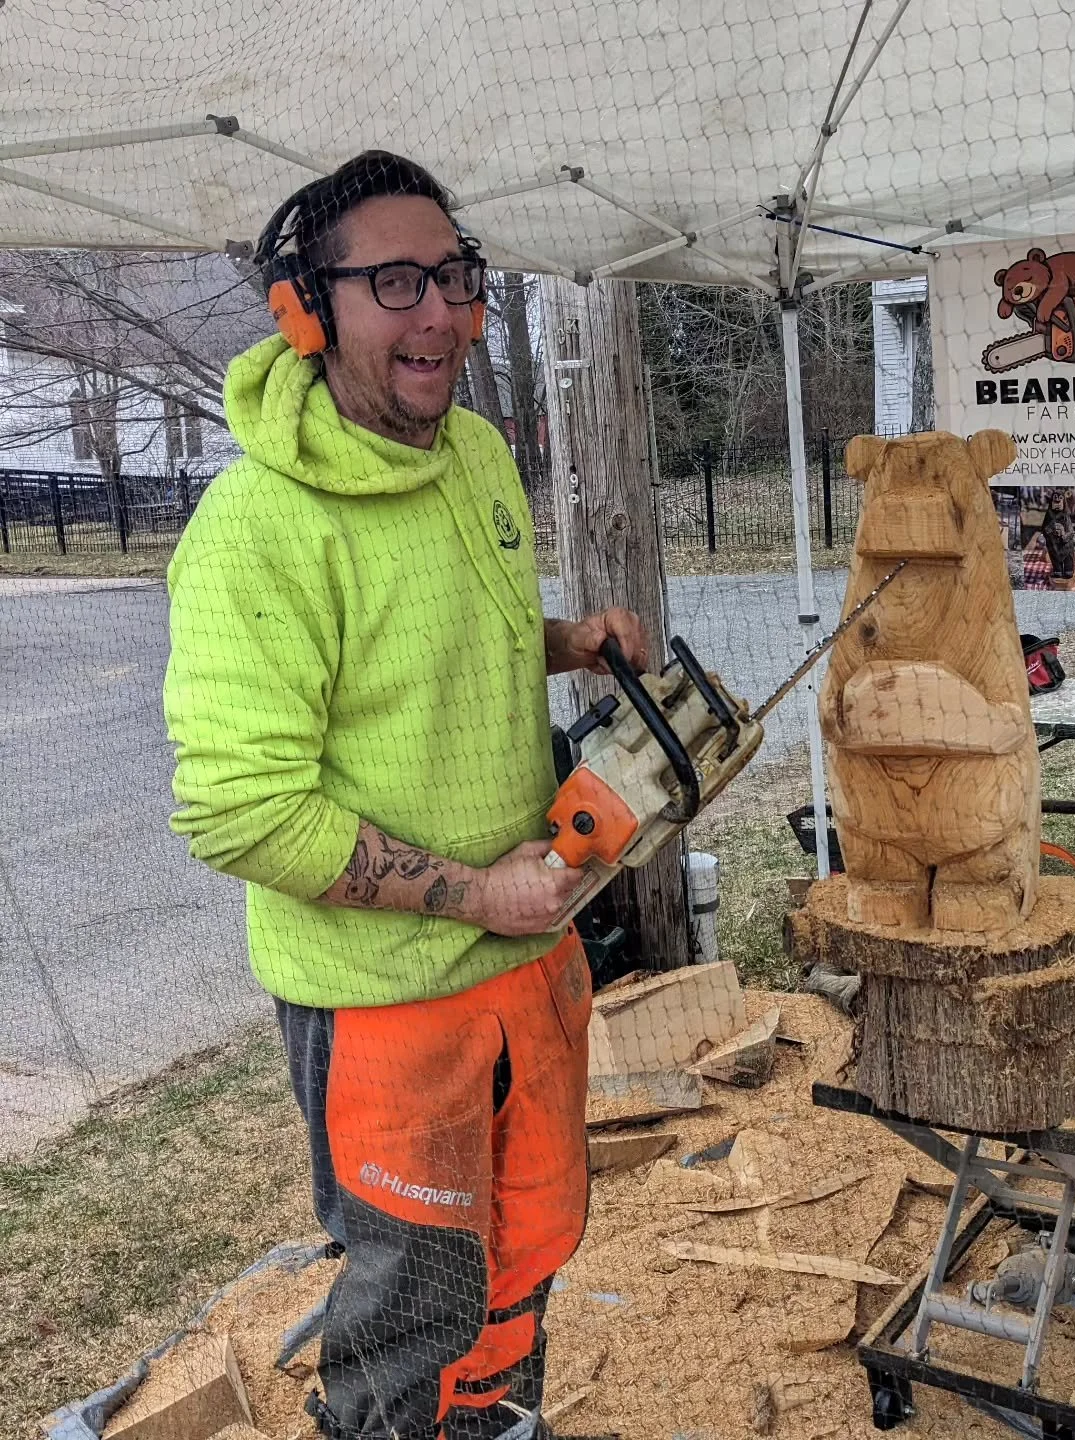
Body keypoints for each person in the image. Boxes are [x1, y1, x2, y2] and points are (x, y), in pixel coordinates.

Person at [163, 151, 641, 1440]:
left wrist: (564, 641)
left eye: (454, 277)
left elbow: (434, 639)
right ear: (305, 313)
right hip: (386, 1003)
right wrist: (476, 890)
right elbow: (237, 807)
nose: (439, 313)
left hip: (525, 954)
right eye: (393, 283)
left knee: (530, 1242)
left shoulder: (474, 453)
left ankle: (496, 1422)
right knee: (414, 1303)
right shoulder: (257, 529)